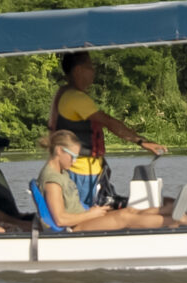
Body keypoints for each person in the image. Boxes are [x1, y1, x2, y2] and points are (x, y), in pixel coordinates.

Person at [51, 49, 167, 207]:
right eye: (90, 66)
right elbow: (109, 122)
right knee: (89, 214)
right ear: (78, 70)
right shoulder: (75, 98)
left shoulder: (64, 93)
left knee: (107, 207)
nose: (94, 71)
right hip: (82, 173)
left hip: (90, 170)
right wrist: (141, 141)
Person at [33, 128, 187, 231]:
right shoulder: (52, 180)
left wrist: (93, 212)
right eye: (73, 156)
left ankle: (173, 209)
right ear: (60, 151)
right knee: (124, 218)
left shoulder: (61, 173)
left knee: (129, 210)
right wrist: (91, 214)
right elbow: (60, 219)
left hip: (81, 218)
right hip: (75, 227)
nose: (75, 161)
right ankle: (175, 222)